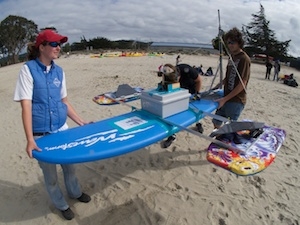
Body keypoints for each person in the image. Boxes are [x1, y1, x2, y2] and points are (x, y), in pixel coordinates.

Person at [13, 29, 91, 220]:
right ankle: (61, 204)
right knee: (51, 176)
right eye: (54, 44)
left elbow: (64, 100)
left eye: (60, 44)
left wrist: (81, 122)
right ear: (42, 47)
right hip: (40, 134)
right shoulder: (28, 69)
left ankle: (74, 193)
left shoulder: (59, 71)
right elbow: (26, 105)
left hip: (62, 129)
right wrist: (30, 140)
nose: (59, 48)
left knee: (70, 167)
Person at [212, 27, 251, 129]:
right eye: (228, 42)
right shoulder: (232, 56)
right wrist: (219, 84)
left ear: (239, 42)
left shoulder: (244, 58)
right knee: (216, 121)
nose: (230, 45)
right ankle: (220, 140)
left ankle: (224, 142)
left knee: (230, 128)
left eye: (232, 42)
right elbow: (229, 76)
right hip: (226, 96)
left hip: (236, 100)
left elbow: (243, 82)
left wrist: (225, 99)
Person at [161, 63, 203, 148]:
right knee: (173, 113)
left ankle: (198, 123)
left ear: (178, 76)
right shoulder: (167, 75)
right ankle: (172, 135)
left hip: (191, 90)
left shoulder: (187, 70)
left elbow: (199, 80)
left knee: (194, 109)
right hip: (179, 91)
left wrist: (197, 93)